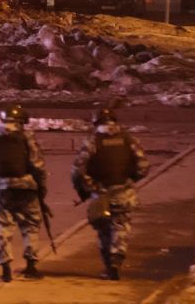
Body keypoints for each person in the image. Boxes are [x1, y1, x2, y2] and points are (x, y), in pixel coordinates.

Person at [71, 107, 150, 280]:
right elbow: (144, 166)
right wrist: (130, 180)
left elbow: (78, 170)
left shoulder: (92, 142)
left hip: (101, 193)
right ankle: (117, 258)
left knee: (103, 229)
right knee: (120, 225)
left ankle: (108, 265)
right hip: (124, 191)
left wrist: (88, 187)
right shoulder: (129, 140)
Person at [0, 104, 47, 282]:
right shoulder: (27, 138)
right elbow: (38, 166)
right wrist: (41, 189)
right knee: (30, 226)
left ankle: (5, 267)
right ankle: (31, 265)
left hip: (1, 189)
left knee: (4, 227)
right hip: (26, 187)